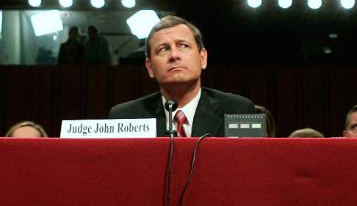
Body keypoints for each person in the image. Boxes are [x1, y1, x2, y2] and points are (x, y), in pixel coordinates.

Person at [107, 15, 255, 137]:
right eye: (163, 49)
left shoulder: (240, 109)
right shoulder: (123, 117)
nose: (174, 55)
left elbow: (253, 166)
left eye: (183, 45)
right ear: (150, 67)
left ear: (202, 58)